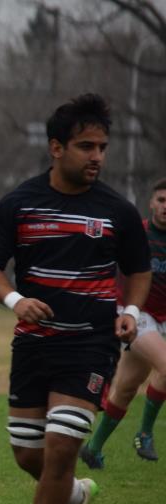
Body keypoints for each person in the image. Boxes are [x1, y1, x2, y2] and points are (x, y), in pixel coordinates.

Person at [0, 93, 150, 504]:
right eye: (86, 146)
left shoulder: (116, 210)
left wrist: (131, 310)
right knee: (27, 453)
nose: (97, 157)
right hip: (33, 343)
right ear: (56, 148)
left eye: (102, 148)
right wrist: (16, 300)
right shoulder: (19, 203)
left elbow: (138, 270)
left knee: (60, 448)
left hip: (90, 344)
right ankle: (74, 495)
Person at [80, 177, 166, 468]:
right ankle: (144, 434)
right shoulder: (137, 233)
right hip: (137, 314)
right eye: (161, 200)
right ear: (151, 203)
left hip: (163, 318)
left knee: (127, 389)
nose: (165, 207)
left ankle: (93, 448)